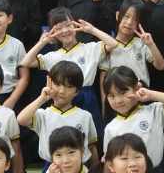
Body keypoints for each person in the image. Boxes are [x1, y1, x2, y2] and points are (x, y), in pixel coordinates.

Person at [21, 8, 117, 144]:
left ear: (75, 24)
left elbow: (113, 44)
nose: (65, 30)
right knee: (66, 139)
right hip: (62, 98)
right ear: (53, 33)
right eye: (59, 28)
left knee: (91, 139)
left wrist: (92, 30)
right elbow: (26, 62)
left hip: (87, 96)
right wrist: (42, 42)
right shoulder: (52, 56)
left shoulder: (90, 48)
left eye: (68, 25)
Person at [103, 65, 164, 173]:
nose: (118, 100)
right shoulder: (110, 128)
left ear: (137, 87)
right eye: (111, 96)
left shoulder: (153, 111)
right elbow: (109, 161)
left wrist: (151, 94)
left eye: (123, 92)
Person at [18, 61, 99, 173]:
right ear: (49, 83)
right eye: (57, 84)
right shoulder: (43, 115)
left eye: (68, 86)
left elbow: (91, 146)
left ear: (77, 91)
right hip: (52, 167)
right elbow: (21, 119)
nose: (62, 91)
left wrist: (95, 172)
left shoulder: (85, 116)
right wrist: (42, 98)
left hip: (80, 169)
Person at [98, 0, 164, 101]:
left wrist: (151, 44)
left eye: (135, 20)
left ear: (139, 24)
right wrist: (105, 104)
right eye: (126, 16)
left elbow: (161, 66)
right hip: (118, 98)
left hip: (141, 96)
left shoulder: (141, 43)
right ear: (118, 16)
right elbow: (103, 77)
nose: (129, 22)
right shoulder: (107, 46)